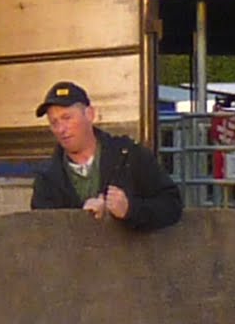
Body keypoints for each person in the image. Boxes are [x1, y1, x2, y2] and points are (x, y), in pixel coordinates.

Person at [31, 80, 182, 230]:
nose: (61, 129)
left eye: (67, 118)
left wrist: (130, 209)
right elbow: (42, 231)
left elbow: (171, 205)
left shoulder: (128, 155)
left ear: (90, 114)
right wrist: (79, 217)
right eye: (54, 122)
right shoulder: (47, 177)